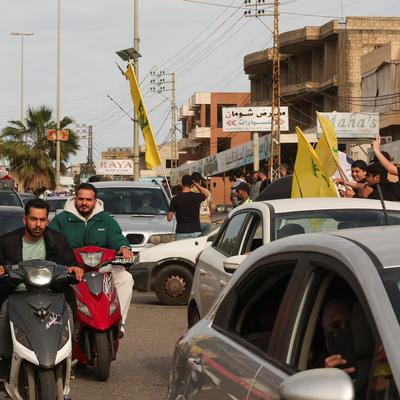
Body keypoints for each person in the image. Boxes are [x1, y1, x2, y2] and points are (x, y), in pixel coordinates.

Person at [0, 199, 83, 377]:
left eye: (42, 220)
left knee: (68, 312)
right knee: (4, 312)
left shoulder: (58, 240)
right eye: (33, 219)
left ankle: (64, 358)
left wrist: (75, 268)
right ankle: (4, 358)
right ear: (25, 219)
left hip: (52, 292)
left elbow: (72, 263)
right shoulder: (7, 241)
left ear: (47, 221)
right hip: (17, 292)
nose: (38, 224)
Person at [48, 183, 134, 337]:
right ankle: (63, 326)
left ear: (95, 201)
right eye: (81, 199)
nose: (84, 203)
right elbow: (51, 241)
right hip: (72, 269)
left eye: (88, 199)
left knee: (125, 277)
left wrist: (123, 247)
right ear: (75, 199)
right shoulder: (61, 219)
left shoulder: (105, 219)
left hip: (101, 268)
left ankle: (118, 323)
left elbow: (116, 236)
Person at [167, 175, 209, 241]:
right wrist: (197, 185)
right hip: (195, 232)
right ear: (191, 185)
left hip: (181, 232)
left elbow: (169, 218)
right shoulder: (196, 197)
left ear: (181, 184)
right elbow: (206, 194)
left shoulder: (175, 199)